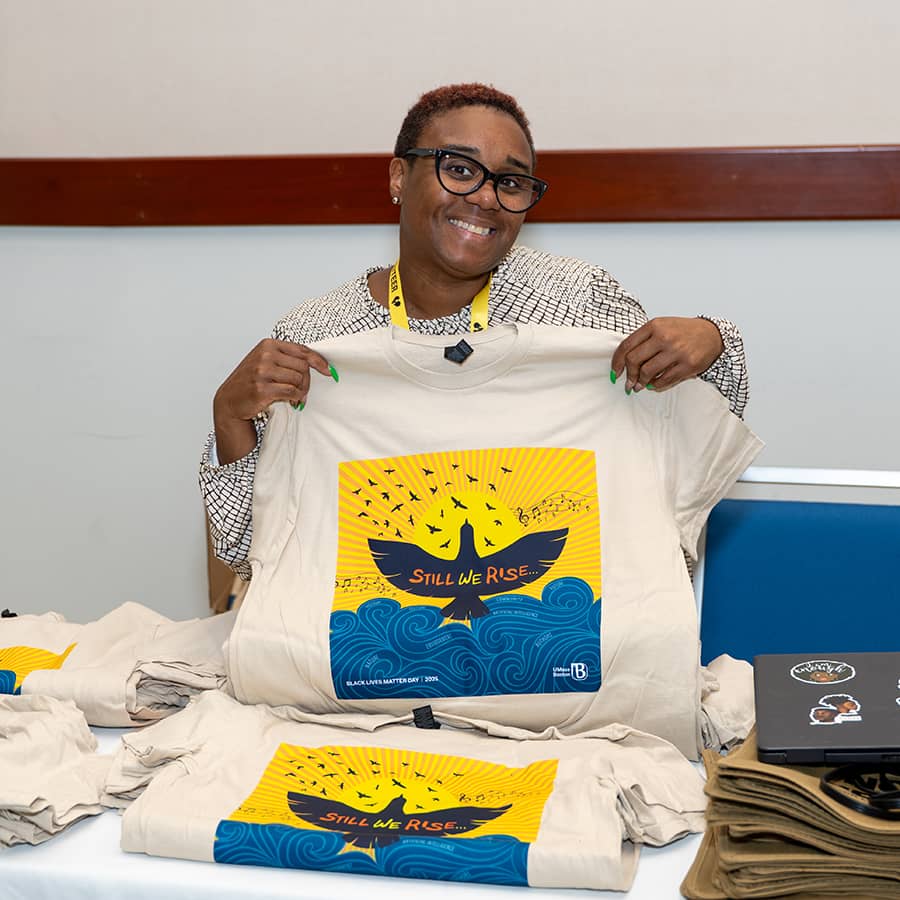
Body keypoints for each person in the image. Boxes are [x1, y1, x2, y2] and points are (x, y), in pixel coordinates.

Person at [201, 83, 749, 580]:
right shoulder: (316, 337)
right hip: (376, 648)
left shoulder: (577, 301)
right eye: (459, 169)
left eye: (510, 182)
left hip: (547, 639)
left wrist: (711, 340)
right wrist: (230, 416)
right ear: (398, 177)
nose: (487, 197)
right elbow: (249, 549)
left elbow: (680, 461)